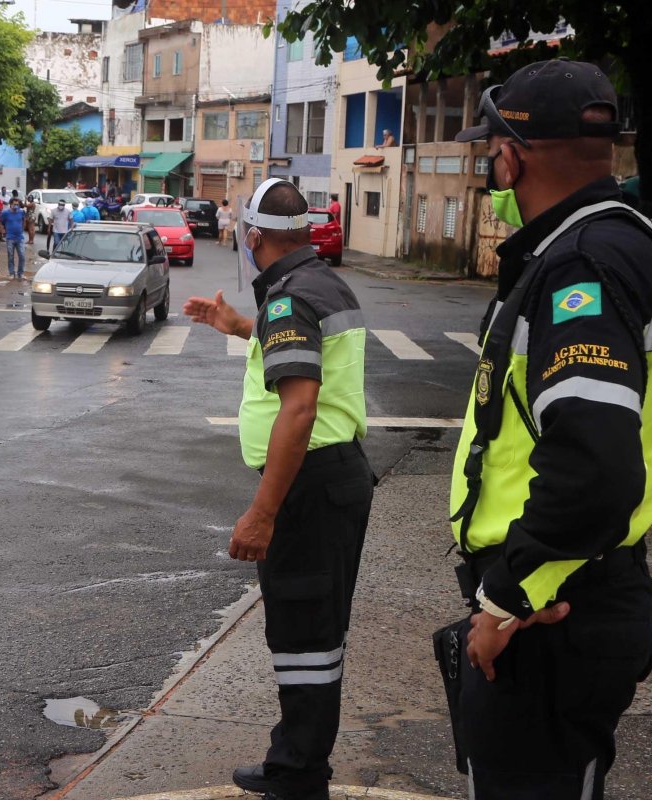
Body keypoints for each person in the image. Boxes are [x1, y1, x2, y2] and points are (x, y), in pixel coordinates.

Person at [447, 60, 652, 799]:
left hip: (554, 609)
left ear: (513, 156)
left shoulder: (580, 266)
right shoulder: (633, 240)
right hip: (574, 591)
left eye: (492, 150)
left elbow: (594, 470)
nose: (493, 168)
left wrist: (507, 600)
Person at [182, 179, 373, 800]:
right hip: (332, 479)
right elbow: (306, 356)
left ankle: (298, 774)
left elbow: (299, 408)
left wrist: (263, 512)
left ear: (255, 236)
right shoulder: (324, 284)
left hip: (308, 486)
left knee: (305, 635)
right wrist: (241, 326)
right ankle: (298, 758)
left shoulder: (292, 297)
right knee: (314, 630)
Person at [0, 197, 27, 280]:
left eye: (17, 204)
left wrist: (22, 228)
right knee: (10, 256)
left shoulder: (21, 212)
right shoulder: (5, 213)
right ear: (10, 204)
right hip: (10, 237)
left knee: (22, 256)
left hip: (20, 237)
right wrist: (2, 229)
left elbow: (24, 220)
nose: (16, 206)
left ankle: (20, 273)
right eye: (14, 204)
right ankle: (11, 273)